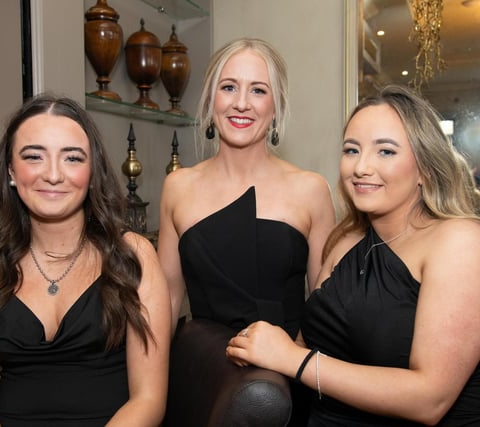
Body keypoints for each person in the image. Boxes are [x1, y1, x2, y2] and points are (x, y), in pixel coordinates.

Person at [226, 84, 480, 426]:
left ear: (425, 168)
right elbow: (309, 345)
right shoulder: (345, 240)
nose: (361, 167)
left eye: (385, 152)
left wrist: (291, 359)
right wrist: (263, 348)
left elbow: (429, 399)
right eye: (351, 150)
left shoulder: (462, 243)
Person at [0, 95, 171, 426]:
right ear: (11, 171)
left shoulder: (134, 256)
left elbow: (149, 399)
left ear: (92, 171)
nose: (53, 175)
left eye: (72, 158)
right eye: (34, 156)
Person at [157, 37, 335, 424]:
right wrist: (147, 389)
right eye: (228, 87)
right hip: (202, 378)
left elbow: (325, 304)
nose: (241, 103)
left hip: (289, 382)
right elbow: (167, 302)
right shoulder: (177, 187)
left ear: (276, 106)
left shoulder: (311, 189)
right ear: (210, 101)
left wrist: (288, 367)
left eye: (258, 90)